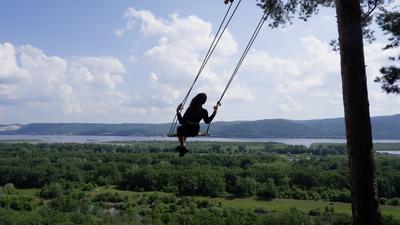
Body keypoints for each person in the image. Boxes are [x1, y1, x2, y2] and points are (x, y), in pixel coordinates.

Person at [176, 93, 218, 157]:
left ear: (195, 99)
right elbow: (207, 121)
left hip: (186, 130)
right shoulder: (204, 111)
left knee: (179, 129)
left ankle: (182, 146)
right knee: (185, 128)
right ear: (204, 102)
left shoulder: (190, 109)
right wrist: (214, 112)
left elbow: (182, 121)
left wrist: (178, 112)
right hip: (195, 131)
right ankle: (183, 147)